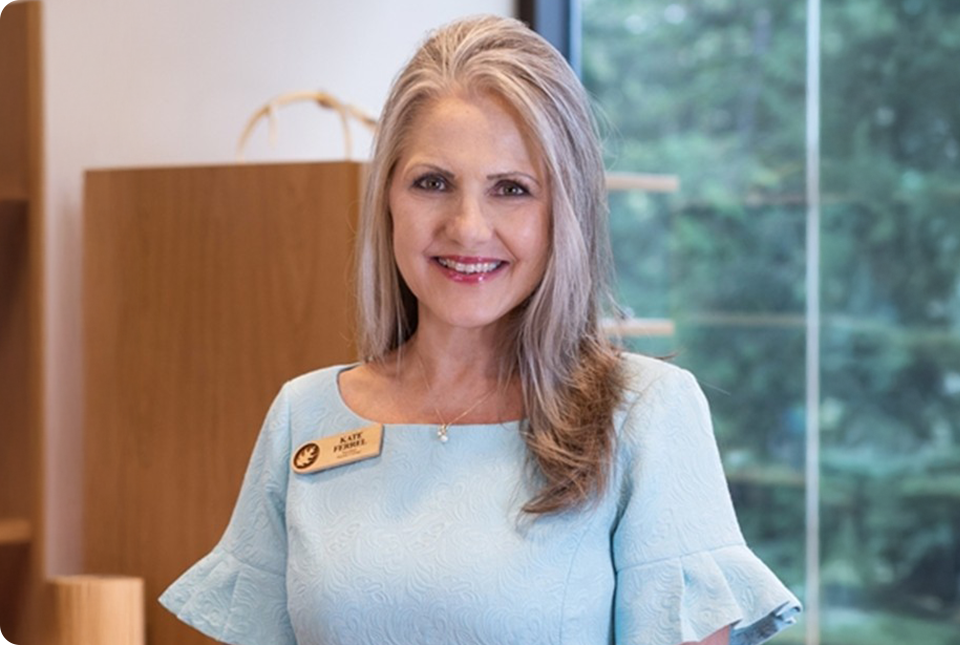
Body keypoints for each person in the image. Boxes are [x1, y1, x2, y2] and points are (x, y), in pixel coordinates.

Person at [160, 14, 801, 645]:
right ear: (387, 198)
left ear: (564, 212)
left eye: (511, 189)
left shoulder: (645, 415)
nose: (467, 227)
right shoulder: (303, 418)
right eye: (433, 182)